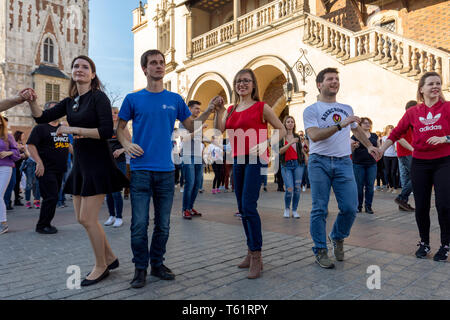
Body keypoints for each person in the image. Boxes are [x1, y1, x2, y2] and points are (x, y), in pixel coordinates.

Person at [20, 55, 128, 286]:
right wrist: (31, 100)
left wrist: (72, 128)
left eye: (85, 67)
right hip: (80, 163)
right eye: (76, 66)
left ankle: (101, 266)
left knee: (88, 219)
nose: (79, 69)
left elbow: (105, 130)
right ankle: (110, 257)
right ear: (72, 72)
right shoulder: (71, 102)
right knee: (81, 218)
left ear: (93, 74)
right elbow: (41, 117)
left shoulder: (98, 97)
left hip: (98, 162)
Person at [117, 49, 216, 289]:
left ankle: (157, 264)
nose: (159, 66)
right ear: (145, 69)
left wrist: (209, 110)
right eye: (153, 63)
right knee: (140, 223)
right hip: (140, 169)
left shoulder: (174, 99)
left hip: (166, 170)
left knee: (163, 223)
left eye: (161, 63)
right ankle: (140, 268)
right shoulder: (133, 99)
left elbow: (191, 125)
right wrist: (127, 144)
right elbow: (119, 127)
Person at [303, 67, 381, 269]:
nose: (335, 82)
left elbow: (356, 130)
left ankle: (337, 236)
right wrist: (341, 125)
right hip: (319, 161)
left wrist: (370, 145)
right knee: (319, 208)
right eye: (330, 79)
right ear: (320, 84)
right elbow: (314, 135)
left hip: (343, 162)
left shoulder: (346, 107)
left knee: (349, 207)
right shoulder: (311, 110)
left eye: (337, 79)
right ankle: (320, 250)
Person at [214, 68, 286, 279]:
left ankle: (257, 256)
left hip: (255, 159)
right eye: (238, 81)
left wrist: (266, 142)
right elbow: (220, 131)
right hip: (237, 160)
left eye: (246, 81)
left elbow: (281, 129)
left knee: (248, 206)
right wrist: (219, 110)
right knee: (241, 208)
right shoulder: (231, 108)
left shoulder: (262, 107)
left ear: (253, 84)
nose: (242, 84)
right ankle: (250, 251)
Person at [380, 71, 450, 262]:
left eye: (438, 83)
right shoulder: (412, 112)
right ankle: (424, 242)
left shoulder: (448, 107)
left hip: (444, 162)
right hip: (419, 163)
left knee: (444, 204)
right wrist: (381, 149)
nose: (435, 86)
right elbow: (395, 133)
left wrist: (446, 138)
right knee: (421, 206)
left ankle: (445, 244)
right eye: (431, 84)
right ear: (421, 89)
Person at [26, 101, 70, 234]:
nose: (56, 111)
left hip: (60, 169)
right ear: (47, 111)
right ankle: (42, 226)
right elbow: (30, 145)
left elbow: (68, 145)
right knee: (50, 197)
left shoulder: (62, 129)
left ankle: (46, 223)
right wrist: (39, 162)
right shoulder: (41, 127)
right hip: (46, 169)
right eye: (53, 109)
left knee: (54, 197)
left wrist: (80, 155)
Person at [179, 101, 206, 219]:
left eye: (199, 109)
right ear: (189, 109)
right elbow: (184, 139)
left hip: (198, 156)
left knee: (197, 184)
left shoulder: (198, 123)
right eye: (196, 108)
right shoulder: (183, 123)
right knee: (189, 183)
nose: (198, 111)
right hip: (187, 155)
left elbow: (199, 140)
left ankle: (190, 207)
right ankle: (185, 209)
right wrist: (199, 129)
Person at [104, 107, 129, 228]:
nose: (113, 115)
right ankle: (111, 215)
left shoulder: (122, 127)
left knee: (116, 191)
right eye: (111, 113)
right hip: (106, 162)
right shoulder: (105, 127)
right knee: (108, 192)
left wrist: (121, 150)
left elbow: (130, 144)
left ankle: (119, 217)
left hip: (119, 162)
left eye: (115, 113)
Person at [279, 116, 307, 219]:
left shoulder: (297, 137)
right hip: (286, 165)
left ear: (294, 124)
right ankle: (287, 208)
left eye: (292, 122)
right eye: (288, 122)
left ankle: (294, 210)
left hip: (298, 164)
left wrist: (306, 156)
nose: (290, 123)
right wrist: (291, 142)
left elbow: (301, 150)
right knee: (289, 188)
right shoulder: (281, 136)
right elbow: (280, 151)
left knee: (297, 189)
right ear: (285, 124)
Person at [350, 117, 379, 214]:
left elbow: (378, 148)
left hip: (371, 164)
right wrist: (354, 146)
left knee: (370, 186)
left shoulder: (374, 136)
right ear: (360, 125)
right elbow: (350, 150)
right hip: (358, 164)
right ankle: (358, 206)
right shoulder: (355, 136)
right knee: (359, 186)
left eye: (369, 123)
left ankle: (368, 206)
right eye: (365, 123)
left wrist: (378, 156)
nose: (367, 125)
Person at [394, 100, 417, 212]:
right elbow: (400, 138)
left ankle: (403, 203)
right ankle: (401, 198)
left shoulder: (412, 121)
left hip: (407, 153)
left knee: (409, 178)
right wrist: (412, 149)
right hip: (407, 153)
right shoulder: (405, 121)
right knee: (416, 176)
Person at [0, 115, 20, 234]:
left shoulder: (8, 136)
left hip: (5, 168)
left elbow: (16, 153)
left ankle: (3, 223)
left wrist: (8, 153)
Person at [381, 125, 399, 193]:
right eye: (389, 129)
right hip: (386, 156)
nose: (391, 130)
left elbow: (396, 147)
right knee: (387, 172)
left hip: (394, 156)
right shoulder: (384, 137)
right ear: (387, 130)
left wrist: (395, 147)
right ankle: (390, 186)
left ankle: (395, 188)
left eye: (392, 128)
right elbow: (382, 146)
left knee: (393, 172)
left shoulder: (395, 137)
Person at [13, 131, 28, 207]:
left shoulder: (22, 144)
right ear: (18, 136)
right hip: (14, 166)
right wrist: (21, 155)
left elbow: (26, 155)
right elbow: (15, 155)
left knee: (17, 183)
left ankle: (17, 199)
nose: (24, 137)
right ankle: (15, 199)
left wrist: (23, 154)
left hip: (20, 166)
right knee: (14, 183)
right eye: (22, 136)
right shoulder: (14, 144)